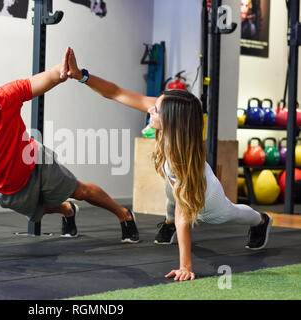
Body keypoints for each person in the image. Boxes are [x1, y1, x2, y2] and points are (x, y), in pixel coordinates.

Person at [64, 47, 272, 281]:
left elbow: (186, 216)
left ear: (172, 121)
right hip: (177, 182)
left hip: (208, 201)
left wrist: (186, 266)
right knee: (169, 192)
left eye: (156, 110)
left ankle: (262, 220)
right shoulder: (168, 116)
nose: (150, 111)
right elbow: (116, 92)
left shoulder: (179, 161)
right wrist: (81, 75)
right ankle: (167, 222)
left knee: (232, 212)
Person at [0, 47, 139, 263]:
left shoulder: (5, 97)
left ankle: (124, 214)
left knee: (79, 190)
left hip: (36, 162)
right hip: (5, 187)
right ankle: (68, 210)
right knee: (40, 210)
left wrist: (65, 70)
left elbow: (51, 76)